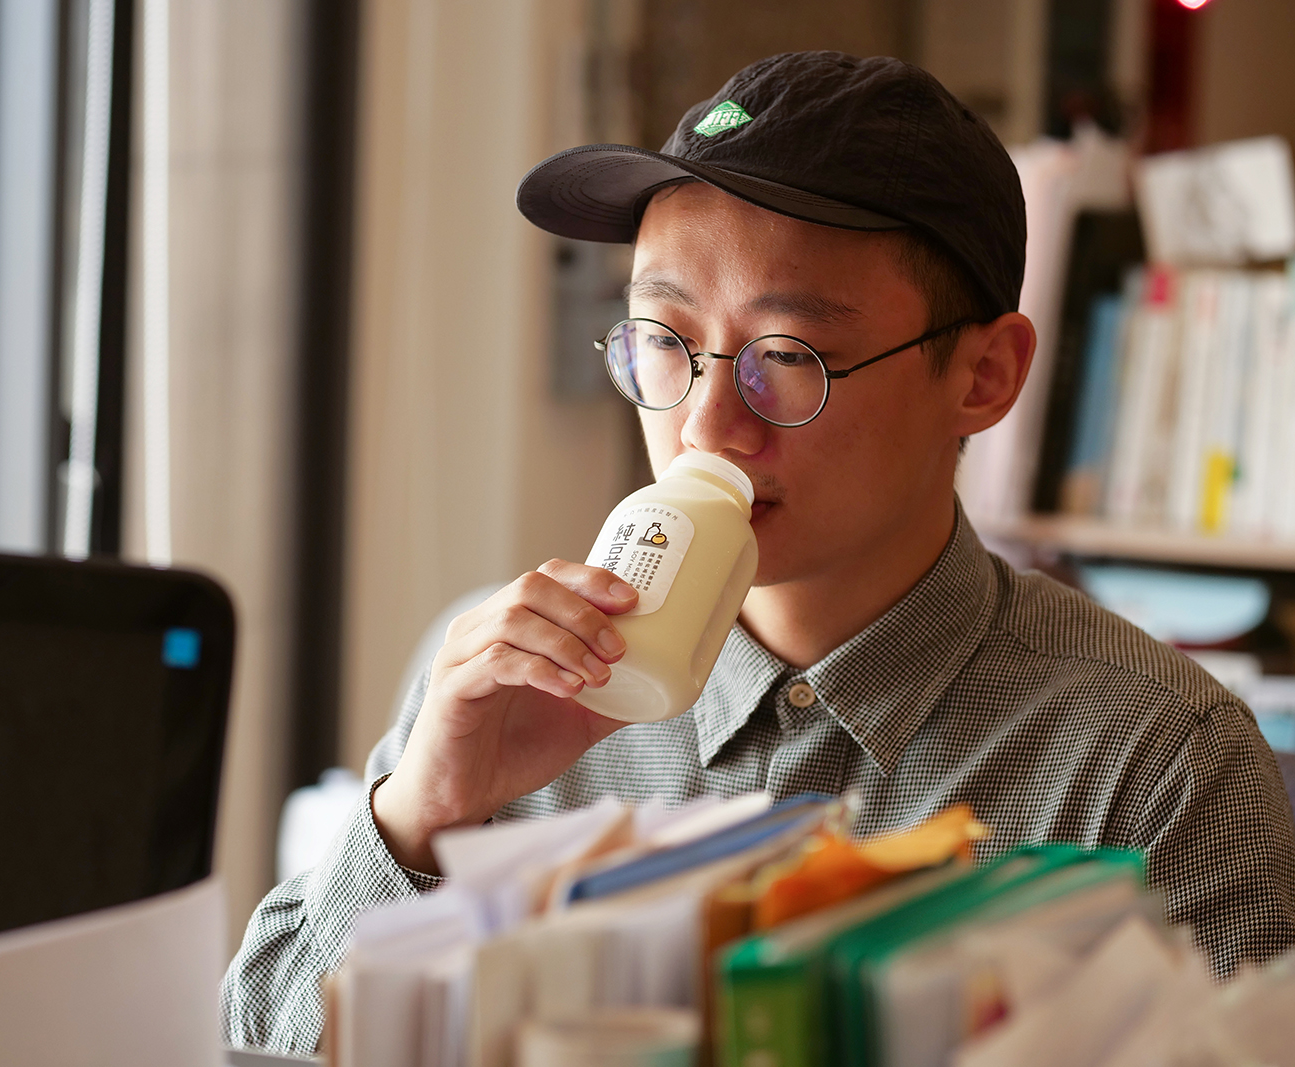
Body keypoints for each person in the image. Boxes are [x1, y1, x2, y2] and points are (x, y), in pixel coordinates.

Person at [220, 51, 1295, 1054]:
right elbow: (253, 1036)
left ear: (982, 377)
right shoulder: (506, 676)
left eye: (788, 356)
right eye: (665, 343)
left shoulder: (1156, 764)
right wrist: (420, 815)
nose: (704, 427)